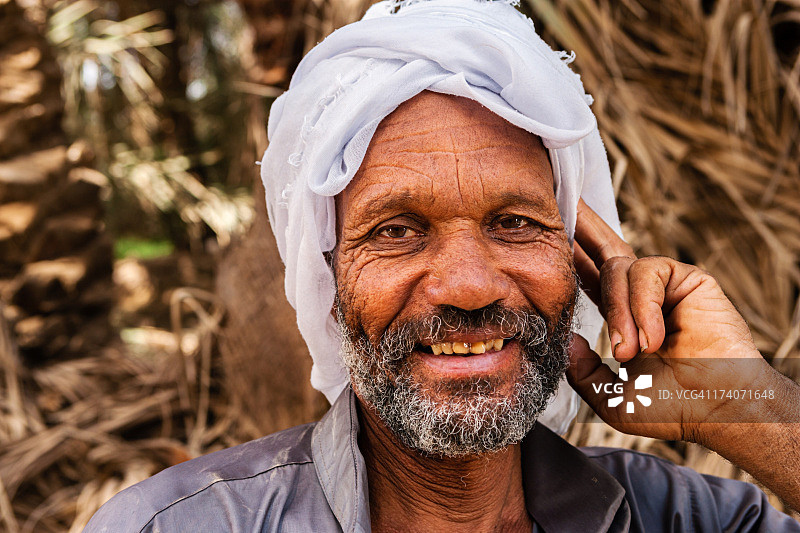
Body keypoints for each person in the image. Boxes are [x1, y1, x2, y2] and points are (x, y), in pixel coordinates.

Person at [85, 1, 800, 531]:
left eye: (516, 223)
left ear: (578, 263)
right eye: (397, 231)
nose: (467, 286)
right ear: (329, 281)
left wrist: (754, 410)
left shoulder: (683, 518)